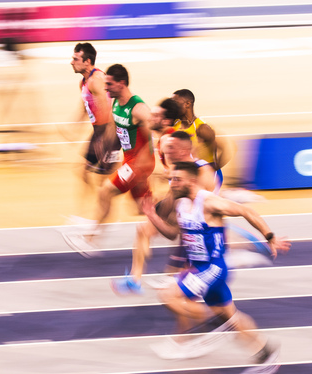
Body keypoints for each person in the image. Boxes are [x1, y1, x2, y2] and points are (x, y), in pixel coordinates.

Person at [142, 161, 290, 372]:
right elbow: (173, 233)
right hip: (199, 268)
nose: (172, 183)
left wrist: (270, 236)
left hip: (213, 268)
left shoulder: (209, 202)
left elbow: (246, 211)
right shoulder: (181, 204)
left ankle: (213, 326)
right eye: (171, 179)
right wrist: (153, 217)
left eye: (177, 179)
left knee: (167, 295)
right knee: (231, 316)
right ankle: (266, 352)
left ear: (191, 181)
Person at [63, 64, 155, 254]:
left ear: (121, 84)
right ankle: (179, 211)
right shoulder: (116, 104)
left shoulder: (138, 108)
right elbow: (114, 130)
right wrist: (105, 149)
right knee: (143, 207)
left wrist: (162, 160)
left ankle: (91, 239)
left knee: (105, 192)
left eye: (109, 85)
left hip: (138, 163)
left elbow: (155, 129)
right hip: (129, 159)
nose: (105, 88)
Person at [112, 131, 219, 294]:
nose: (166, 151)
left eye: (171, 148)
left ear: (183, 151)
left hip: (197, 217)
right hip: (178, 209)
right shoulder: (175, 167)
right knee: (143, 230)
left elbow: (207, 198)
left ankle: (182, 277)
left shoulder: (202, 170)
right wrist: (155, 213)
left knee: (191, 247)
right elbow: (172, 196)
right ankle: (135, 280)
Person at [69, 43, 121, 220]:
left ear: (87, 61)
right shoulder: (83, 82)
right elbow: (86, 106)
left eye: (75, 59)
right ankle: (86, 213)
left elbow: (108, 110)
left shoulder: (97, 80)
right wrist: (74, 126)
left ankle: (102, 216)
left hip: (109, 133)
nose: (71, 62)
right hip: (99, 132)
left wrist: (107, 139)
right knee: (83, 171)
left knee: (104, 181)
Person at [172, 89, 230, 172]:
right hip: (188, 174)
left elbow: (226, 150)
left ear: (187, 104)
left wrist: (214, 169)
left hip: (205, 176)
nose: (172, 107)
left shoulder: (202, 128)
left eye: (175, 103)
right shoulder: (175, 125)